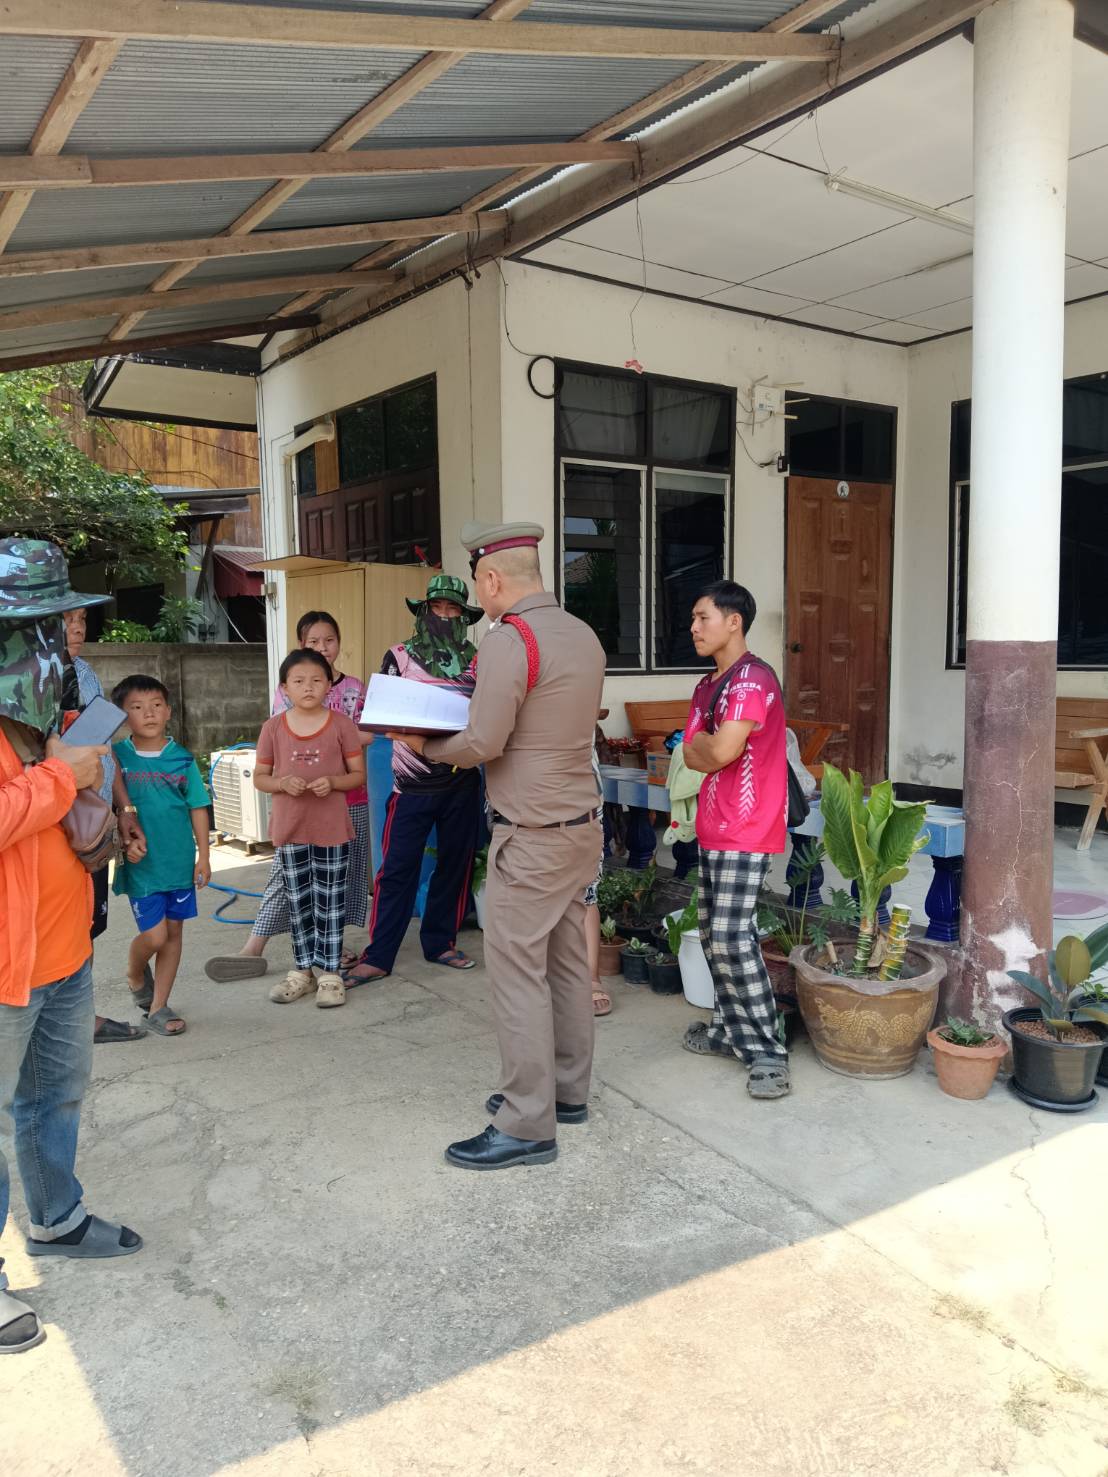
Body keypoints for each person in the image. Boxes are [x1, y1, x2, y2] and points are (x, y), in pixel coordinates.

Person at [390, 522, 605, 1171]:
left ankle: (526, 1122)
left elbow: (484, 740)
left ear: (490, 579)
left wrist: (424, 744)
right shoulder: (583, 634)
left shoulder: (512, 638)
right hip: (580, 827)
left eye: (477, 584)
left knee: (516, 974)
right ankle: (566, 1093)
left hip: (532, 836)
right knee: (566, 963)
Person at [0, 539, 143, 1358]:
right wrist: (61, 775)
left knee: (53, 1097)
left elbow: (70, 792)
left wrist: (97, 792)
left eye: (58, 622)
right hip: (5, 967)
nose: (55, 640)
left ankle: (55, 1218)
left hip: (63, 951)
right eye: (37, 625)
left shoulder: (47, 712)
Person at [205, 610, 370, 982]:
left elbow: (367, 733)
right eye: (314, 641)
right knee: (289, 879)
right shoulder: (290, 694)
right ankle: (257, 948)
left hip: (347, 799)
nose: (323, 647)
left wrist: (340, 737)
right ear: (300, 646)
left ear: (339, 644)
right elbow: (281, 744)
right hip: (296, 806)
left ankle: (332, 949)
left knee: (340, 879)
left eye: (329, 640)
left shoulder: (353, 688)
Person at [344, 573, 484, 985]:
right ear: (424, 611)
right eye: (437, 607)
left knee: (455, 866)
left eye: (453, 608)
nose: (444, 615)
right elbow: (382, 712)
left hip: (462, 779)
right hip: (410, 785)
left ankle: (440, 943)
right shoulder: (399, 656)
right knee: (396, 870)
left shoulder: (478, 659)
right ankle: (378, 955)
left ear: (464, 615)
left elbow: (486, 715)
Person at [680, 581, 790, 1100]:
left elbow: (719, 751)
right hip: (713, 824)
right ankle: (728, 1032)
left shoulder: (752, 678)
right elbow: (689, 752)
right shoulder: (708, 685)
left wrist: (707, 746)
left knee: (731, 937)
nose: (694, 627)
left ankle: (768, 1052)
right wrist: (705, 746)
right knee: (712, 934)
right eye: (693, 618)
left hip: (747, 827)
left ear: (734, 621)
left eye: (703, 617)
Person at [253, 649, 366, 1008]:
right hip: (290, 828)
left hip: (332, 828)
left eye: (317, 680)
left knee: (331, 901)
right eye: (299, 681)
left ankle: (331, 975)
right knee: (298, 902)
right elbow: (260, 777)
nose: (308, 687)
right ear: (284, 687)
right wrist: (281, 783)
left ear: (329, 684)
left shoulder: (342, 725)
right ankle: (302, 972)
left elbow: (357, 775)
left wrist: (333, 782)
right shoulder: (272, 728)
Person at [62, 605, 149, 1044]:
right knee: (57, 926)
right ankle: (63, 1024)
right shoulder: (22, 681)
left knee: (88, 925)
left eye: (81, 619)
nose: (78, 628)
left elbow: (105, 747)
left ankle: (81, 1017)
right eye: (67, 620)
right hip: (53, 825)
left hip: (93, 823)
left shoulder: (85, 674)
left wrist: (124, 809)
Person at [111, 675, 212, 1037]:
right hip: (142, 863)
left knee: (174, 932)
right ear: (123, 716)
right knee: (154, 937)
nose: (149, 713)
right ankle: (135, 971)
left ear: (168, 710)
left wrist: (204, 856)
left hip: (178, 862)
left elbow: (198, 806)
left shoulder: (181, 759)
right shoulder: (116, 758)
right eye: (137, 707)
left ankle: (158, 1006)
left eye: (156, 705)